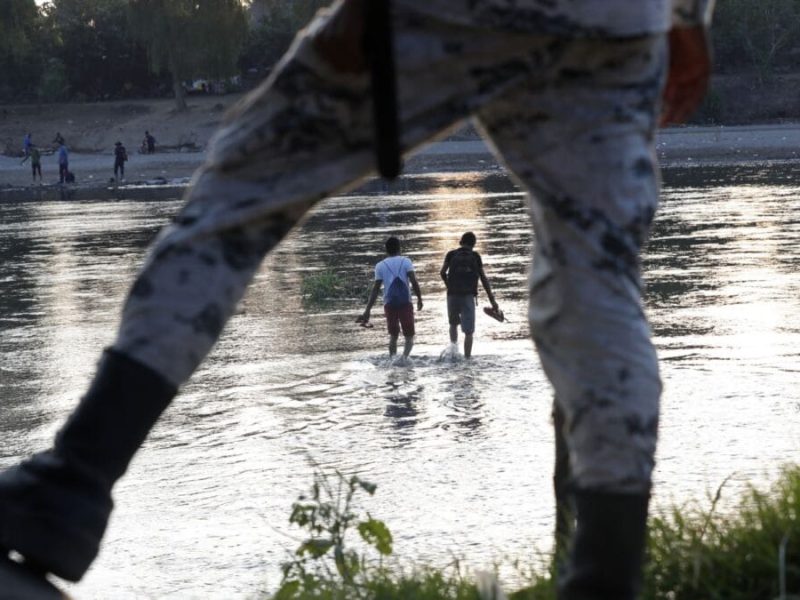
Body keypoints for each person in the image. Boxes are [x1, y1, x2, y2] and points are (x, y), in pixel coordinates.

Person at [0, 1, 714, 598]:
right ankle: (605, 577)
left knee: (234, 207)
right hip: (622, 23)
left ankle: (71, 484)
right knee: (598, 281)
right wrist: (689, 14)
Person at [358, 236, 424, 359]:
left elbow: (375, 289)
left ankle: (393, 361)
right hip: (405, 303)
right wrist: (420, 298)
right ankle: (404, 359)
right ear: (400, 248)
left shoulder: (380, 265)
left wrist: (367, 310)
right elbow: (414, 282)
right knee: (409, 336)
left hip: (389, 304)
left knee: (393, 336)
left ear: (386, 250)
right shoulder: (406, 261)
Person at [439, 232, 499, 358]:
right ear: (474, 244)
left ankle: (453, 354)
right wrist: (492, 301)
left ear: (461, 242)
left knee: (453, 324)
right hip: (468, 296)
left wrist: (449, 286)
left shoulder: (451, 254)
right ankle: (467, 360)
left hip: (452, 295)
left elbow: (442, 272)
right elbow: (483, 279)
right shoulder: (475, 256)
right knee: (468, 332)